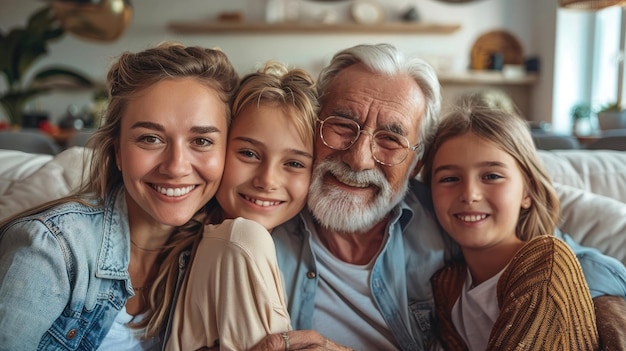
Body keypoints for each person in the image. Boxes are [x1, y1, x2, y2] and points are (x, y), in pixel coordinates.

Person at [250, 43, 626, 351]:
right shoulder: (265, 211)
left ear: (416, 162)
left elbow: (569, 263)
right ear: (312, 126)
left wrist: (608, 314)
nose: (358, 157)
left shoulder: (445, 212)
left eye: (391, 139)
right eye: (342, 126)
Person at [0, 42, 239, 350]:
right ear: (118, 151)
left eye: (202, 141)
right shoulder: (51, 248)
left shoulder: (212, 251)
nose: (176, 166)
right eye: (150, 139)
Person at [164, 61, 319, 350]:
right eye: (248, 153)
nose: (267, 180)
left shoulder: (212, 238)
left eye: (294, 163)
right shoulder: (244, 240)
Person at [422, 105, 598, 350]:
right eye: (449, 179)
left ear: (528, 192)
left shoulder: (548, 262)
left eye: (491, 176)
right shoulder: (445, 286)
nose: (470, 194)